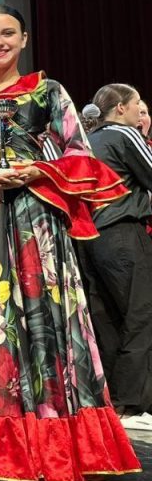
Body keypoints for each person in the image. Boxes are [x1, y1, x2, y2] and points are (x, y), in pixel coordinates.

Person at [0, 4, 140, 481]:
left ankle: (54, 448)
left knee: (43, 319)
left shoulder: (48, 91)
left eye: (7, 33)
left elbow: (80, 154)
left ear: (23, 39)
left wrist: (38, 170)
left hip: (36, 221)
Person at [75, 85, 152, 431]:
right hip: (122, 233)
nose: (140, 112)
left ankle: (116, 403)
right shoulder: (124, 133)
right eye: (137, 105)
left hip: (88, 240)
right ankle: (134, 405)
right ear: (120, 108)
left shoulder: (85, 140)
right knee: (141, 315)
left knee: (106, 319)